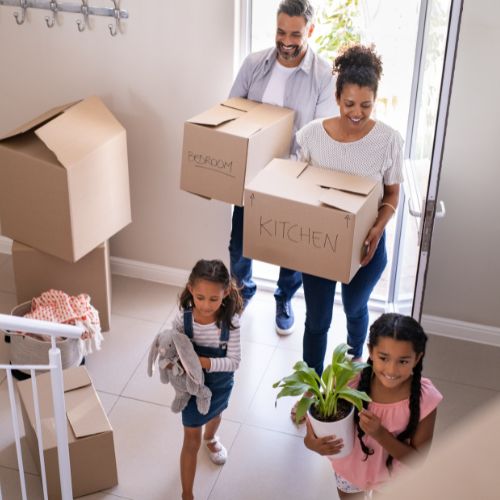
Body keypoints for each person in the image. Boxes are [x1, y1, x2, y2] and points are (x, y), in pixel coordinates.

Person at [228, 0, 338, 336]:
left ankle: (284, 298)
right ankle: (242, 292)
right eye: (280, 31)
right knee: (239, 242)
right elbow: (231, 111)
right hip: (251, 174)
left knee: (290, 249)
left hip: (293, 177)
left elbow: (319, 135)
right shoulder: (253, 64)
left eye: (295, 33)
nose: (286, 40)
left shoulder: (323, 75)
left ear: (310, 31)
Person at [296, 43, 404, 377]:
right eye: (349, 104)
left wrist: (377, 229)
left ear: (375, 101)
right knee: (317, 321)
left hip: (367, 246)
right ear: (337, 97)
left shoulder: (388, 140)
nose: (356, 112)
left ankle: (356, 359)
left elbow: (392, 194)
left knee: (356, 308)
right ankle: (310, 387)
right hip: (320, 245)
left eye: (366, 105)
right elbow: (298, 186)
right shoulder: (312, 135)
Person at [304, 313, 443, 498]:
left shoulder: (426, 400)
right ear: (370, 351)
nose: (392, 370)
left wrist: (380, 434)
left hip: (394, 479)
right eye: (384, 358)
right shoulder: (349, 381)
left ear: (417, 359)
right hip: (349, 471)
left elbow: (417, 460)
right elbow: (314, 429)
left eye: (403, 361)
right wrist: (312, 443)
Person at [172, 259, 243, 500]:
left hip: (220, 383)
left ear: (226, 293)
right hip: (192, 387)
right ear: (191, 289)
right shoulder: (184, 319)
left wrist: (203, 362)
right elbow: (173, 346)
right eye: (200, 297)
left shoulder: (230, 323)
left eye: (214, 299)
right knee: (190, 439)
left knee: (216, 414)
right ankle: (187, 494)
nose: (205, 305)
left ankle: (211, 437)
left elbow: (234, 362)